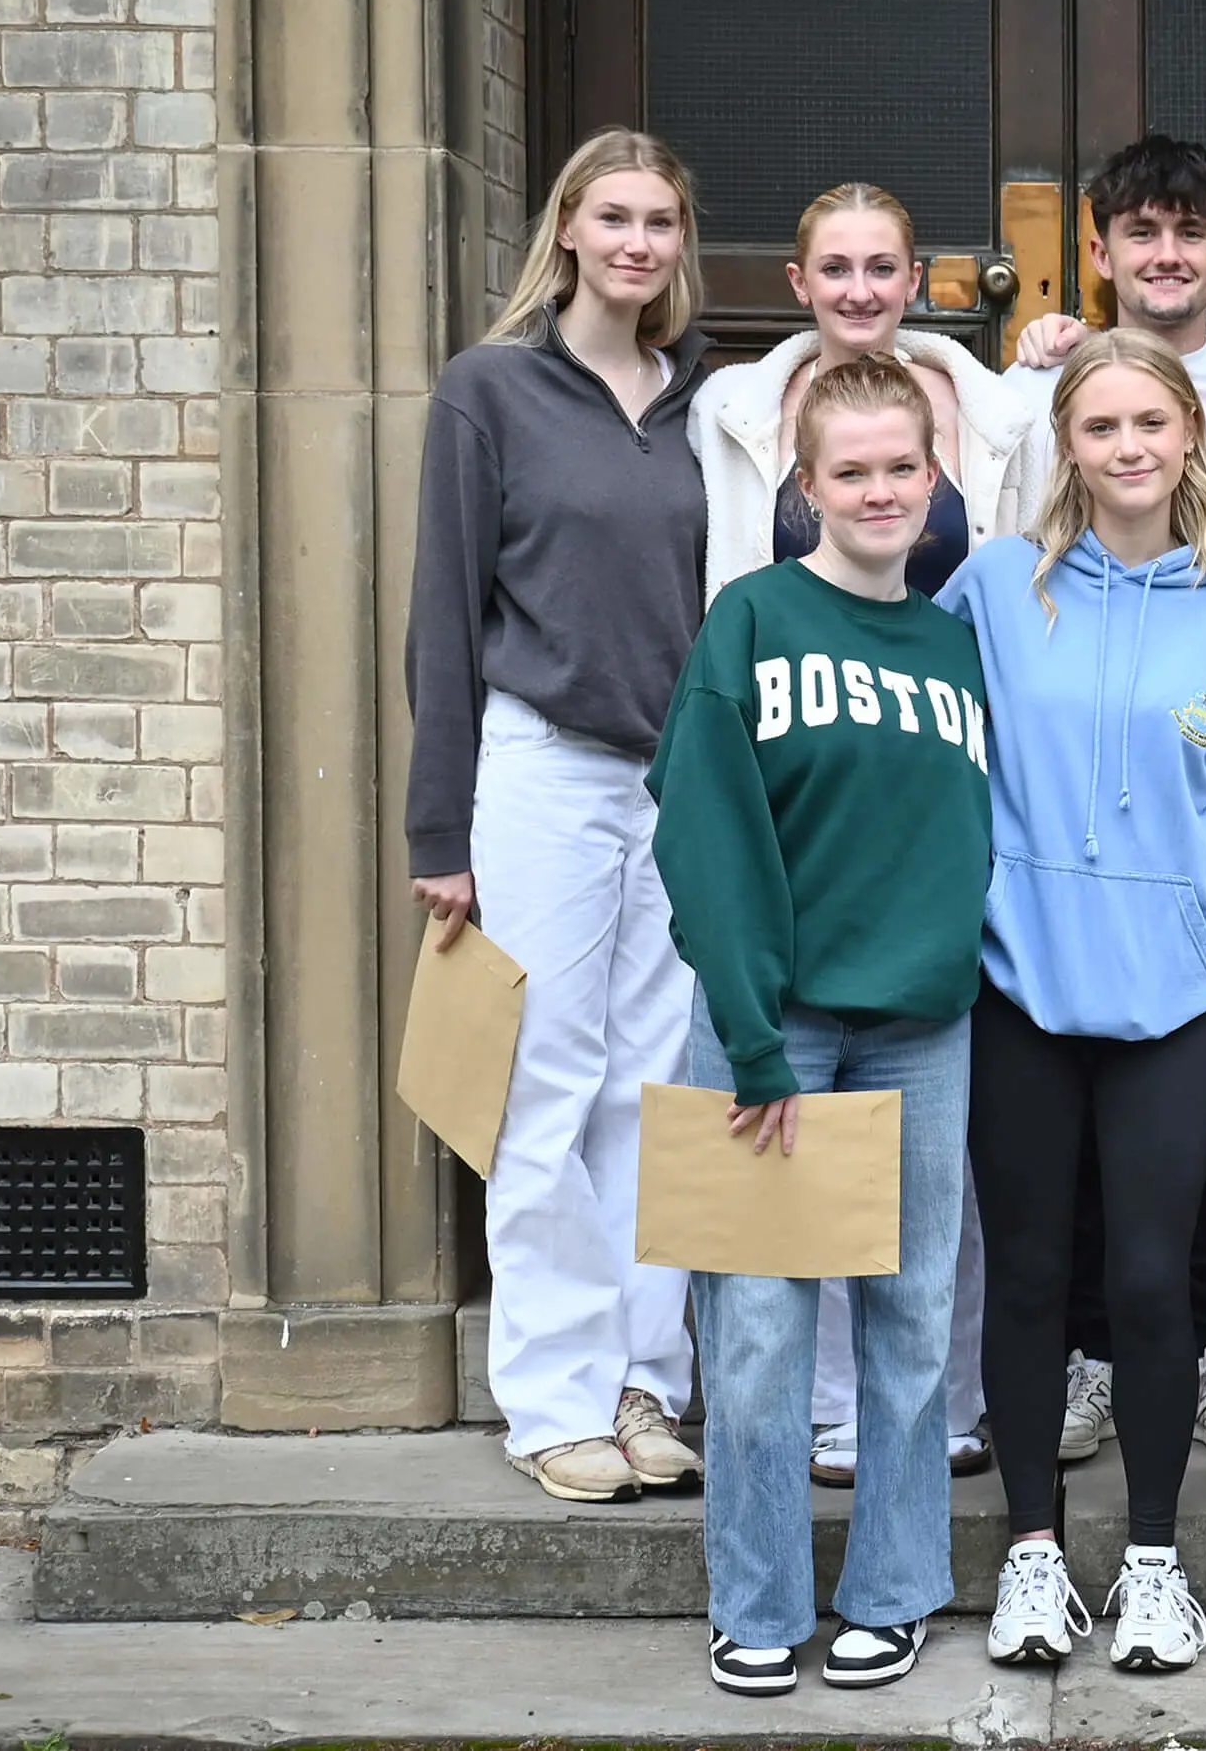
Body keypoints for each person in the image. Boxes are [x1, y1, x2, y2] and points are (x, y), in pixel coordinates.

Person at [650, 356, 994, 1696]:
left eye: (902, 467)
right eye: (849, 470)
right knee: (756, 1331)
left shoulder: (956, 641)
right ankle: (756, 1598)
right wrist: (746, 1035)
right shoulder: (751, 619)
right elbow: (706, 833)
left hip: (919, 1029)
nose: (879, 491)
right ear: (804, 487)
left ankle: (894, 1588)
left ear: (934, 478)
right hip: (774, 1032)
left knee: (910, 1322)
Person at [939, 329, 1206, 1674]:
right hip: (1019, 976)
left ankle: (1149, 1562)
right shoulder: (991, 589)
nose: (1130, 450)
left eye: (1153, 424)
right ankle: (1033, 1551)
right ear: (1066, 448)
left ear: (1190, 436)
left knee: (1151, 1282)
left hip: (1176, 991)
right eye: (1102, 428)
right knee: (1027, 1275)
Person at [691, 181, 1038, 1484]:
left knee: (931, 1136)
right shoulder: (735, 412)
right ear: (797, 279)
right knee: (799, 1125)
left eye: (881, 263)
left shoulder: (994, 411)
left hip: (939, 777)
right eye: (832, 264)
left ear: (917, 276)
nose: (857, 287)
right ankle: (819, 1404)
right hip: (804, 770)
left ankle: (941, 1402)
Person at [403, 127, 711, 1505]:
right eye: (615, 218)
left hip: (676, 781)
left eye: (661, 222)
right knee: (544, 1084)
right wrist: (439, 832)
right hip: (541, 767)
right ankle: (552, 1397)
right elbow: (443, 617)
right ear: (570, 231)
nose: (639, 243)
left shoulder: (699, 403)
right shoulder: (493, 391)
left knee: (658, 1090)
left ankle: (648, 1383)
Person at [1008, 133, 1206, 1468]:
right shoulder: (1036, 389)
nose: (1166, 254)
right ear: (1101, 249)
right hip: (1079, 754)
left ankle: (1199, 1350)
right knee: (1074, 1094)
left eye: (1191, 231)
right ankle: (1087, 1351)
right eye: (1141, 231)